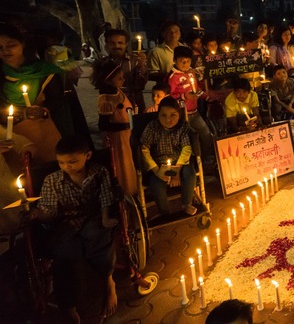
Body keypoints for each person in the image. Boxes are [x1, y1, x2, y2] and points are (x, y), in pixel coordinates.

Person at [29, 136, 118, 322]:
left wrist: (105, 217)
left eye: (72, 162)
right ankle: (68, 305)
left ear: (87, 155)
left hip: (93, 217)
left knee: (99, 234)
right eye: (61, 162)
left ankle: (108, 281)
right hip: (65, 223)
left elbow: (105, 197)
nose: (67, 166)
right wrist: (38, 215)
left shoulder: (98, 172)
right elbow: (50, 212)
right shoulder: (52, 180)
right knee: (66, 257)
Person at [0, 23, 75, 160]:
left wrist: (43, 110)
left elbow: (57, 100)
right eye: (0, 48)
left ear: (22, 43)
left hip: (42, 132)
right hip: (9, 137)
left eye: (11, 45)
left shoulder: (45, 71)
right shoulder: (1, 73)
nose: (5, 51)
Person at [140, 97, 197, 216]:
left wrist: (177, 172)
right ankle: (165, 213)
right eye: (163, 116)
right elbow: (144, 149)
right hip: (158, 163)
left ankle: (186, 204)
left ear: (179, 115)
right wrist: (156, 170)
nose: (168, 120)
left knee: (190, 174)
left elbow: (186, 148)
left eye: (173, 115)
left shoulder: (183, 127)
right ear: (158, 115)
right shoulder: (152, 127)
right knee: (156, 184)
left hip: (180, 161)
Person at [92, 58, 136, 196]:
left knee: (130, 163)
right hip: (118, 140)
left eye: (122, 77)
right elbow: (103, 124)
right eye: (119, 78)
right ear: (108, 80)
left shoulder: (118, 92)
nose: (123, 80)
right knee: (122, 165)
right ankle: (125, 192)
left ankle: (133, 189)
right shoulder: (107, 99)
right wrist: (125, 125)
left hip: (127, 137)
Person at [167, 46, 214, 160]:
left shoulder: (191, 73)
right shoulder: (172, 78)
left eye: (187, 61)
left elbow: (196, 90)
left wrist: (206, 97)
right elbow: (169, 97)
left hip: (195, 113)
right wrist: (183, 96)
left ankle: (205, 159)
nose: (185, 64)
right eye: (181, 61)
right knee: (189, 140)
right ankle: (192, 163)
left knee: (206, 134)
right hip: (182, 115)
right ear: (174, 60)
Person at [100, 28, 148, 110]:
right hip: (111, 107)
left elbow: (140, 85)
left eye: (120, 43)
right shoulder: (102, 63)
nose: (117, 46)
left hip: (133, 105)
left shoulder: (135, 61)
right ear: (107, 45)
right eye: (112, 43)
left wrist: (141, 67)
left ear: (126, 44)